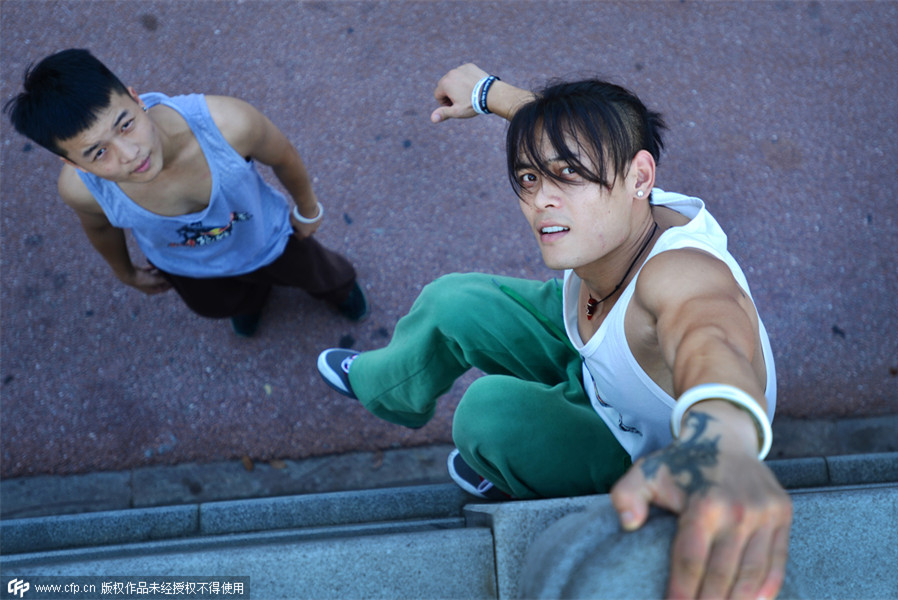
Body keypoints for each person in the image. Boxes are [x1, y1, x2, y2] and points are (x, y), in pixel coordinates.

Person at [317, 63, 792, 598]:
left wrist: (720, 447)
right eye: (528, 178)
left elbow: (712, 339)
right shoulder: (620, 199)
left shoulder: (684, 273)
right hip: (592, 336)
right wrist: (486, 93)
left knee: (486, 416)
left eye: (567, 176)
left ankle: (515, 475)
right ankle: (391, 389)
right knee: (453, 301)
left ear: (640, 176)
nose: (543, 198)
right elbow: (563, 137)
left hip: (632, 438)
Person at [5, 48, 367, 337]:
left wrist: (308, 209)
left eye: (126, 125)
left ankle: (338, 292)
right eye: (99, 152)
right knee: (225, 303)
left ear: (135, 97)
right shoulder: (80, 191)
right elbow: (99, 228)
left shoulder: (229, 125)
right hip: (187, 267)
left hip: (268, 237)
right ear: (77, 166)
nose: (131, 154)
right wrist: (125, 273)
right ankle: (249, 303)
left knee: (322, 273)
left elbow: (283, 156)